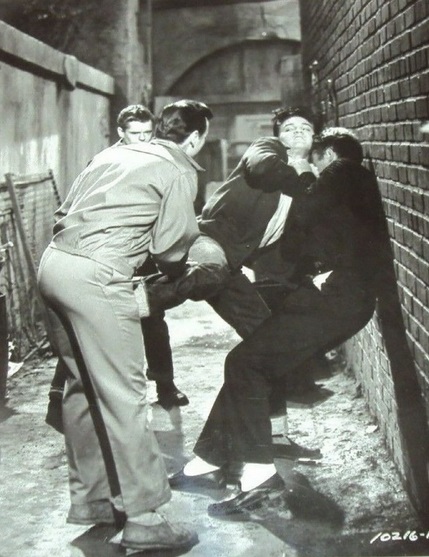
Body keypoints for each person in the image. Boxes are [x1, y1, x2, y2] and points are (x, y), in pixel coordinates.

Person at [169, 131, 386, 518]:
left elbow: (309, 213)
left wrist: (304, 176)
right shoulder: (352, 183)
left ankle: (259, 477)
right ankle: (209, 460)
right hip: (338, 298)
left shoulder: (341, 170)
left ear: (326, 153)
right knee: (251, 363)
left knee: (246, 364)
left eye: (314, 156)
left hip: (336, 299)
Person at [37, 100, 212, 551]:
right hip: (97, 277)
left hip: (54, 266)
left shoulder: (111, 154)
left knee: (81, 387)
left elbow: (65, 211)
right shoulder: (179, 169)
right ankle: (145, 519)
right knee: (125, 395)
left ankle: (95, 501)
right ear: (195, 139)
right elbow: (170, 249)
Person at [45, 105, 187, 435]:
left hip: (143, 253)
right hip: (105, 257)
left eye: (148, 133)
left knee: (153, 322)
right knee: (86, 328)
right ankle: (59, 397)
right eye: (135, 134)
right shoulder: (103, 162)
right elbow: (68, 210)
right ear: (120, 133)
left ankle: (165, 386)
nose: (143, 139)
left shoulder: (156, 161)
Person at [144, 107, 316, 340]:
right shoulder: (268, 147)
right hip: (208, 239)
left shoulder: (311, 178)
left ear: (314, 137)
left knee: (266, 335)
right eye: (289, 128)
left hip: (233, 264)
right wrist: (300, 172)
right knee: (212, 272)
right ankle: (133, 300)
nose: (298, 132)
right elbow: (260, 166)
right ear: (278, 137)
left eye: (305, 128)